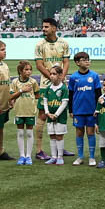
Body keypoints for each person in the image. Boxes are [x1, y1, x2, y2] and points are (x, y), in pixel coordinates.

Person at [33, 18, 68, 160]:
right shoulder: (40, 45)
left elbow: (66, 62)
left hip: (60, 84)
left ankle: (60, 147)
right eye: (43, 27)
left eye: (46, 27)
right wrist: (53, 77)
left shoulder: (63, 43)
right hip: (45, 85)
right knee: (42, 115)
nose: (44, 29)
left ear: (54, 28)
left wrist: (61, 78)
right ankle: (39, 150)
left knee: (60, 114)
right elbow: (39, 65)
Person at [68, 51, 102, 166]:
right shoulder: (73, 77)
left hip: (91, 110)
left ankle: (92, 157)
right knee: (79, 132)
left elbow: (98, 94)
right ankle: (80, 156)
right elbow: (71, 95)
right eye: (84, 60)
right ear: (77, 63)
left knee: (90, 132)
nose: (87, 61)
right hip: (78, 110)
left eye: (88, 59)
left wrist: (98, 109)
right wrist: (71, 110)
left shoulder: (94, 76)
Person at [9, 61, 40, 165]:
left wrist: (32, 104)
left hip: (30, 111)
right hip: (19, 111)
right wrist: (22, 90)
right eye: (26, 69)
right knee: (21, 133)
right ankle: (22, 155)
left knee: (30, 133)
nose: (29, 71)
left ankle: (28, 156)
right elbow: (11, 96)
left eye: (30, 69)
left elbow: (37, 95)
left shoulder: (33, 82)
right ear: (20, 71)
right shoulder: (14, 82)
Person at [40, 65, 68, 165]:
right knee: (52, 136)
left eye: (54, 74)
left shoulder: (63, 88)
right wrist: (47, 113)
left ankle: (60, 157)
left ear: (60, 75)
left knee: (59, 136)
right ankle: (53, 156)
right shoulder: (48, 88)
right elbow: (45, 101)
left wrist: (56, 115)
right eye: (51, 74)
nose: (51, 76)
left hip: (60, 117)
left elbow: (64, 103)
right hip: (50, 117)